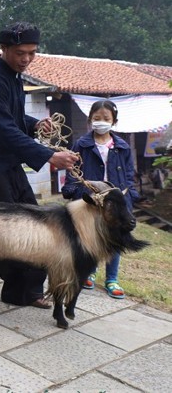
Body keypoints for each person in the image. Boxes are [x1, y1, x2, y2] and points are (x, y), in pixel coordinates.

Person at [0, 21, 78, 310]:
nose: (26, 59)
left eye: (32, 53)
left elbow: (13, 119)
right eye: (20, 52)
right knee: (0, 233)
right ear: (4, 49)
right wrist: (48, 155)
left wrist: (36, 123)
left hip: (7, 163)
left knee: (36, 223)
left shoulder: (13, 77)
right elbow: (5, 130)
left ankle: (22, 291)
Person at [62, 100, 140, 299]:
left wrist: (129, 195)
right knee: (92, 235)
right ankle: (90, 271)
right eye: (97, 118)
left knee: (115, 236)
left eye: (106, 118)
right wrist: (72, 189)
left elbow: (129, 174)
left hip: (115, 200)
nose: (101, 122)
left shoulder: (121, 147)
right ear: (90, 120)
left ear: (114, 121)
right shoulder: (82, 144)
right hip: (91, 198)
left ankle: (112, 279)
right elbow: (73, 169)